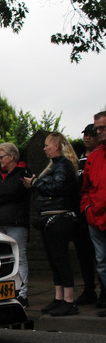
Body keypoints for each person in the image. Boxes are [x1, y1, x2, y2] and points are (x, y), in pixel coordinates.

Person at [24, 132, 79, 316]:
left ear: (56, 146)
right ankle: (59, 297)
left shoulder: (63, 166)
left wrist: (35, 182)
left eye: (47, 145)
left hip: (59, 218)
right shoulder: (54, 166)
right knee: (53, 260)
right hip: (49, 218)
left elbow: (57, 188)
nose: (44, 148)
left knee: (61, 259)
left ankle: (69, 300)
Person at [0, 142, 31, 307]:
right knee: (1, 259)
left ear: (11, 157)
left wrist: (2, 194)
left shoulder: (23, 173)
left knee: (20, 258)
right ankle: (4, 292)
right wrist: (4, 194)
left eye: (1, 157)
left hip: (16, 222)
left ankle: (22, 294)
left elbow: (14, 191)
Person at [74, 123, 105, 307]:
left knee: (100, 256)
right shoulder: (78, 158)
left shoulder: (98, 158)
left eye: (91, 135)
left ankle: (103, 292)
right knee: (83, 254)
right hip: (82, 212)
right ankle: (88, 290)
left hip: (96, 212)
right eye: (85, 134)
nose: (88, 138)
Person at [80, 111, 106, 317]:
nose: (99, 132)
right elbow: (86, 189)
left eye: (102, 128)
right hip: (94, 219)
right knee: (102, 262)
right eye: (98, 129)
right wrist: (87, 209)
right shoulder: (94, 157)